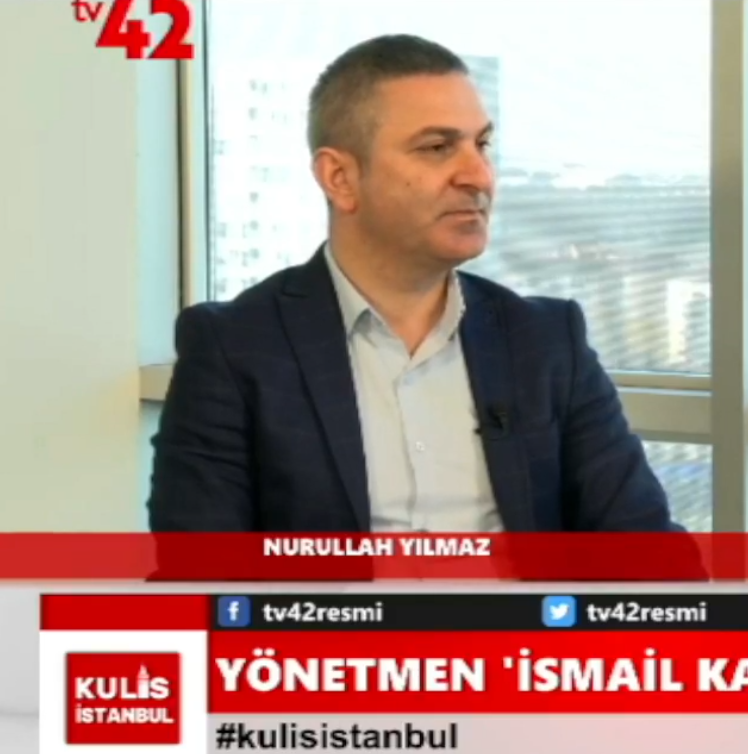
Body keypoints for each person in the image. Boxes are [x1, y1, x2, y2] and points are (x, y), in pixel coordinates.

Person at [148, 35, 678, 534]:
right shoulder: (236, 346)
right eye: (437, 147)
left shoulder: (545, 339)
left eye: (482, 144)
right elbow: (201, 572)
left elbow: (646, 550)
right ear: (340, 178)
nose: (478, 176)